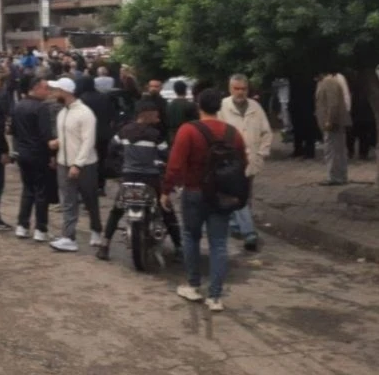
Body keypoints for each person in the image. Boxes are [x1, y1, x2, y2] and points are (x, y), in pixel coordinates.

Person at [164, 88, 247, 312]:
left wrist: (166, 190)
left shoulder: (188, 131)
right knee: (219, 243)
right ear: (219, 107)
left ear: (198, 106)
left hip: (194, 192)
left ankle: (193, 285)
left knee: (191, 237)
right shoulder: (233, 133)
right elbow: (243, 163)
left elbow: (175, 165)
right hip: (221, 195)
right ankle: (216, 297)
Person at [95, 100, 182, 260]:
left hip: (128, 177)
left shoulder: (123, 132)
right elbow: (166, 155)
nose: (158, 116)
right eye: (155, 113)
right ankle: (179, 247)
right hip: (151, 180)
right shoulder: (155, 135)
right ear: (147, 114)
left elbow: (111, 149)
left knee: (117, 210)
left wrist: (120, 166)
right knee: (166, 209)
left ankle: (105, 244)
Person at [219, 74, 272, 253]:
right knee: (237, 195)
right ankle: (249, 232)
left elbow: (266, 132)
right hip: (230, 161)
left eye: (243, 89)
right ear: (230, 89)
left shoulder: (255, 107)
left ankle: (236, 225)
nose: (240, 92)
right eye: (237, 89)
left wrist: (262, 153)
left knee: (246, 195)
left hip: (251, 159)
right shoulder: (222, 107)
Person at [48, 78, 102, 253]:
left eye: (56, 89)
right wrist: (57, 145)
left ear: (66, 92)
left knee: (89, 199)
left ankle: (96, 230)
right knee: (68, 201)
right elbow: (68, 137)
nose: (53, 92)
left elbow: (88, 141)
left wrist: (78, 164)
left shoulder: (85, 113)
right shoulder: (63, 112)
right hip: (64, 162)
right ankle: (68, 236)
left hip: (85, 164)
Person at [11, 76, 54, 242]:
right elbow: (46, 134)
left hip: (23, 153)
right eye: (45, 88)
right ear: (36, 88)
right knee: (41, 192)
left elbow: (13, 130)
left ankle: (22, 225)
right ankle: (40, 228)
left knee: (28, 189)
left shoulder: (18, 106)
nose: (48, 92)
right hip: (38, 153)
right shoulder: (41, 108)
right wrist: (51, 154)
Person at [315, 71, 351, 185]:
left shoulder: (329, 82)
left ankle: (335, 177)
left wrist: (330, 121)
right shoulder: (327, 82)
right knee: (337, 150)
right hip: (332, 123)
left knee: (333, 150)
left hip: (333, 124)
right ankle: (339, 176)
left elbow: (333, 104)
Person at [165, 80, 199, 145]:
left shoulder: (169, 105)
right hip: (186, 135)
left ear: (175, 91)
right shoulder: (191, 105)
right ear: (185, 90)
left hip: (172, 135)